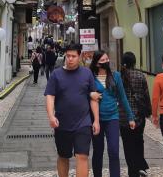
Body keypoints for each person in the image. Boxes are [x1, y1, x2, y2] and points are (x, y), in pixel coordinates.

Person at [45, 43, 101, 177]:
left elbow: (93, 97)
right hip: (62, 123)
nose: (70, 59)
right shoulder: (56, 74)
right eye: (68, 56)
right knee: (63, 156)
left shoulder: (87, 73)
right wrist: (51, 116)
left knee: (82, 156)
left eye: (73, 56)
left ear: (80, 56)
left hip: (83, 122)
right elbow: (50, 96)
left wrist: (96, 121)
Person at [90, 50, 135, 177]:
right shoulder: (91, 77)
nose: (106, 62)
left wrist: (130, 117)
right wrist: (90, 94)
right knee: (98, 151)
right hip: (96, 118)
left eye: (107, 59)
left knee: (114, 151)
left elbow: (122, 97)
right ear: (97, 63)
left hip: (112, 117)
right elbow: (83, 93)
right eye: (102, 61)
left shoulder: (116, 76)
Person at [119, 52, 151, 177]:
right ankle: (139, 166)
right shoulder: (140, 75)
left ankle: (132, 170)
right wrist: (148, 111)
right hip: (139, 115)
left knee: (128, 144)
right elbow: (146, 95)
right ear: (134, 62)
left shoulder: (119, 76)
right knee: (139, 141)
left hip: (123, 117)